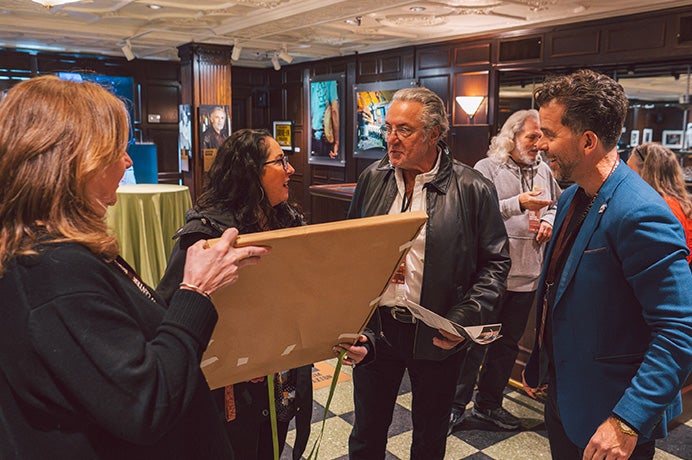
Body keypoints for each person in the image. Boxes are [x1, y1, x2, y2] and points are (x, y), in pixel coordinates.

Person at [0, 76, 269, 459]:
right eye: (116, 149)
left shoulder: (53, 253)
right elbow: (146, 402)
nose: (127, 161)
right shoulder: (54, 270)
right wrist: (195, 291)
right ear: (75, 161)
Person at [157, 128, 369, 459]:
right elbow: (171, 312)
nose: (291, 169)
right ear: (250, 172)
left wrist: (343, 332)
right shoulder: (205, 236)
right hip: (226, 395)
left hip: (280, 384)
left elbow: (310, 290)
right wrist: (240, 358)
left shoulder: (286, 220)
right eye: (280, 161)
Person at [522, 69, 692, 460]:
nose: (541, 145)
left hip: (612, 416)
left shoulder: (641, 212)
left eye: (549, 134)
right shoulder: (570, 198)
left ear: (587, 141)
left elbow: (678, 330)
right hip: (566, 397)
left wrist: (628, 420)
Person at [346, 86, 511, 460]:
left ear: (434, 133)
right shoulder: (372, 178)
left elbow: (496, 264)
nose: (391, 139)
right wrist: (348, 319)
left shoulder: (473, 188)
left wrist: (462, 320)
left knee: (429, 438)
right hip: (377, 331)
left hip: (438, 332)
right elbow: (351, 253)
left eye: (404, 129)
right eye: (388, 128)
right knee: (366, 434)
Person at [449, 109, 561, 433]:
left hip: (528, 275)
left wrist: (549, 221)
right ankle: (453, 407)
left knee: (506, 347)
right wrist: (518, 204)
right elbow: (473, 212)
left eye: (541, 136)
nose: (538, 143)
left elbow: (556, 204)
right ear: (512, 137)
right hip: (491, 279)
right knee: (474, 344)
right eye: (532, 136)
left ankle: (488, 405)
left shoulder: (544, 170)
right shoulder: (488, 168)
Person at [626, 142, 692, 265]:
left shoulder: (658, 208)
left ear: (646, 172)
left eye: (630, 169)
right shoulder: (679, 203)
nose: (626, 175)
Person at [310, 80, 339, 158]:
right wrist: (337, 142)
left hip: (311, 136)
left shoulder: (311, 82)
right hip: (325, 137)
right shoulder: (331, 81)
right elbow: (334, 110)